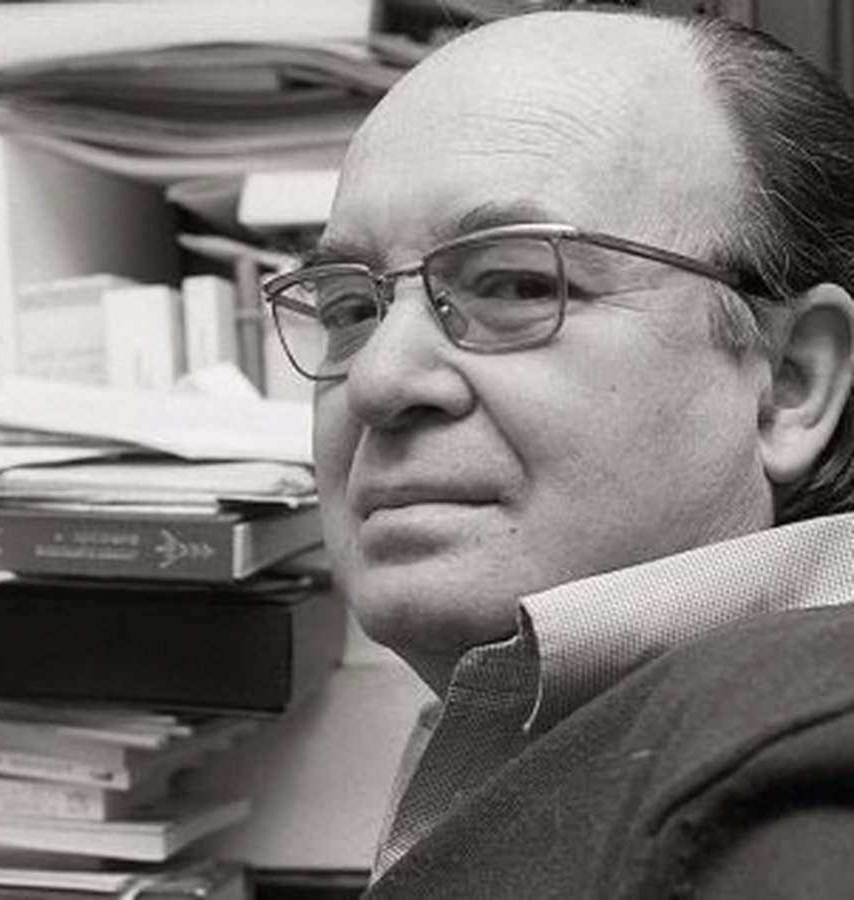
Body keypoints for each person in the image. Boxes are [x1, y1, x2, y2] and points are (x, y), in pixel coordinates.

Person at [262, 9, 854, 897]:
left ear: (791, 382)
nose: (378, 380)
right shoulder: (611, 741)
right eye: (350, 308)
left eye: (517, 284)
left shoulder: (801, 794)